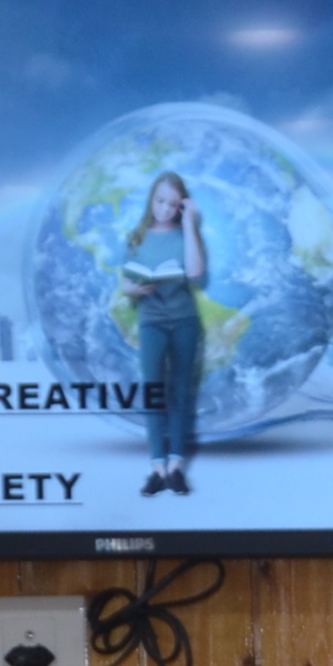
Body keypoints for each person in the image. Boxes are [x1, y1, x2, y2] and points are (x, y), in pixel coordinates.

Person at [122, 172, 209, 495]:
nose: (165, 209)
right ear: (151, 199)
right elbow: (125, 282)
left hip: (184, 320)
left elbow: (196, 272)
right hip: (151, 322)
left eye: (173, 204)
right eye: (160, 201)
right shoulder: (136, 236)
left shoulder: (187, 234)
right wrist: (134, 289)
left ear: (181, 206)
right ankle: (157, 467)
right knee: (154, 393)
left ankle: (176, 466)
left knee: (181, 392)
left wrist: (189, 223)